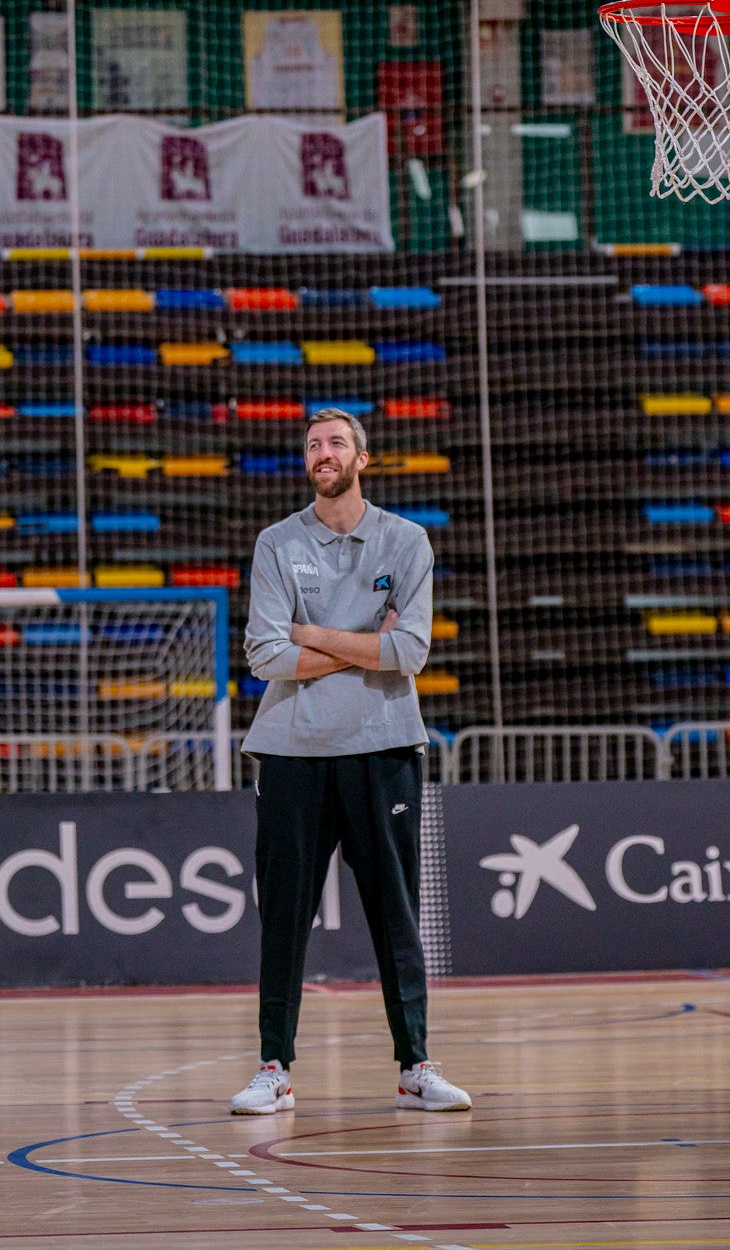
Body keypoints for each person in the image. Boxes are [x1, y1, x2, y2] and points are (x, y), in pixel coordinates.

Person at [231, 408, 470, 1116]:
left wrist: (313, 633)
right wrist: (363, 640)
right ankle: (273, 1066)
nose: (322, 453)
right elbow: (265, 655)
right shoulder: (277, 542)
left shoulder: (405, 540)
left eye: (335, 443)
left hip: (384, 744)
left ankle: (414, 1066)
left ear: (363, 457)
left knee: (396, 913)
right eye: (312, 445)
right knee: (283, 916)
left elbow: (410, 653)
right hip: (291, 749)